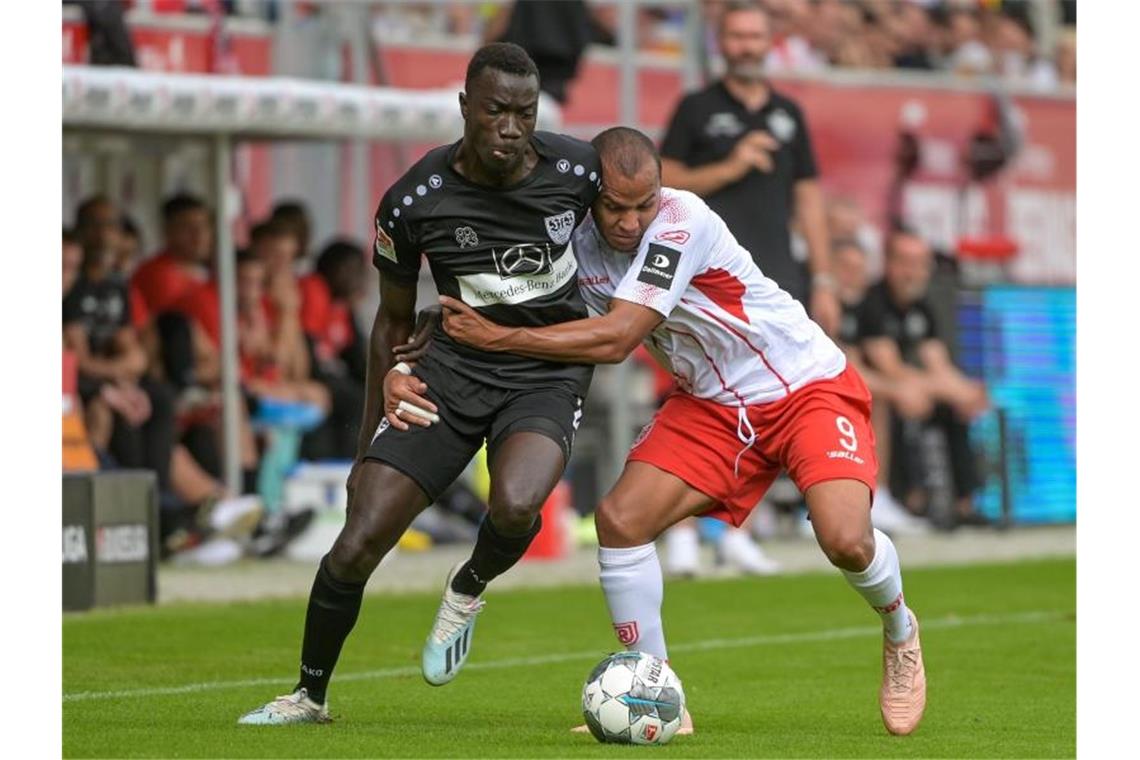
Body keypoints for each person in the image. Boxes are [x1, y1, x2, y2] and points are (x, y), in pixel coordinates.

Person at [426, 127, 927, 736]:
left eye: (644, 203)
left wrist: (498, 337)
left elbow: (615, 339)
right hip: (712, 406)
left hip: (803, 385)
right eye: (616, 206)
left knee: (845, 539)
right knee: (621, 520)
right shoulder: (572, 243)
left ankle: (900, 630)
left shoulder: (681, 219)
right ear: (591, 195)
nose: (632, 221)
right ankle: (659, 699)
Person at [237, 42, 602, 725]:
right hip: (452, 373)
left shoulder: (578, 170)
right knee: (357, 539)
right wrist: (362, 446)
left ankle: (467, 586)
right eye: (497, 112)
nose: (512, 129)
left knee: (518, 506)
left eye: (525, 114)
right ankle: (308, 695)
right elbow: (391, 325)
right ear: (465, 107)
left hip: (545, 372)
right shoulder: (413, 201)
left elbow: (639, 218)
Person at [659, 1, 839, 334]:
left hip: (779, 274)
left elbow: (809, 199)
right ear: (721, 42)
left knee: (786, 379)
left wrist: (824, 281)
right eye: (737, 37)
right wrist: (730, 167)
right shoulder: (696, 107)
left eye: (755, 37)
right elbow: (664, 183)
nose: (747, 47)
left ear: (770, 42)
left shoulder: (789, 112)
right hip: (710, 274)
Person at [857, 230, 990, 528]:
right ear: (889, 264)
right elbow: (890, 369)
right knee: (902, 401)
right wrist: (949, 390)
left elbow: (938, 364)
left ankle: (965, 504)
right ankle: (904, 500)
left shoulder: (921, 308)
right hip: (876, 393)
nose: (913, 272)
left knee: (957, 408)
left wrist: (965, 392)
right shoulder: (874, 303)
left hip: (908, 389)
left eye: (920, 263)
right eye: (906, 262)